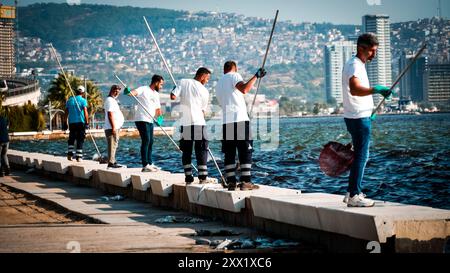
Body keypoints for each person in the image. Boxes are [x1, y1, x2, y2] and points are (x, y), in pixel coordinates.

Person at [342, 33, 392, 207]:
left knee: (359, 155)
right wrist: (377, 90)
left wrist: (369, 110)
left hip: (358, 115)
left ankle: (350, 192)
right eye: (371, 51)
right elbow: (355, 90)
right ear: (361, 48)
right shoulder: (355, 65)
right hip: (358, 117)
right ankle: (355, 195)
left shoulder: (355, 64)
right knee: (362, 156)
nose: (374, 55)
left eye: (375, 51)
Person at [215, 61, 266, 191]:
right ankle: (246, 182)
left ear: (224, 69)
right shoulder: (234, 76)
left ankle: (231, 182)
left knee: (229, 153)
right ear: (235, 68)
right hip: (239, 120)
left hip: (227, 122)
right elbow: (244, 89)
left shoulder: (219, 83)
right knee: (245, 150)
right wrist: (256, 76)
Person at [171, 67, 216, 185]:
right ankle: (203, 177)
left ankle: (188, 176)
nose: (207, 81)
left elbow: (173, 96)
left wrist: (175, 91)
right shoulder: (205, 91)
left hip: (185, 123)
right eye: (207, 78)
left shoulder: (182, 82)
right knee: (201, 149)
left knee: (186, 151)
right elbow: (202, 111)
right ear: (202, 76)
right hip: (199, 123)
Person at [124, 75, 164, 172]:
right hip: (141, 119)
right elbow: (133, 93)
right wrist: (128, 92)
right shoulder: (144, 89)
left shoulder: (156, 94)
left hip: (150, 120)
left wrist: (160, 119)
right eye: (161, 84)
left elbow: (158, 109)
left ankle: (149, 163)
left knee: (151, 141)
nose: (161, 87)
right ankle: (145, 165)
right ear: (156, 82)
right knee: (146, 140)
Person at [65, 86, 89, 162]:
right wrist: (87, 122)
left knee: (71, 138)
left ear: (76, 92)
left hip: (72, 123)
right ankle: (79, 157)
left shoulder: (69, 100)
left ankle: (70, 154)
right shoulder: (83, 101)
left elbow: (66, 112)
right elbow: (85, 112)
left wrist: (65, 122)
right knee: (80, 139)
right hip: (80, 122)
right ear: (83, 93)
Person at [104, 85, 125, 169]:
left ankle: (113, 161)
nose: (117, 93)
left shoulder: (112, 100)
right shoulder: (109, 100)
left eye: (118, 91)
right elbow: (110, 114)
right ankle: (111, 163)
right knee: (112, 145)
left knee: (114, 145)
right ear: (111, 90)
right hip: (111, 127)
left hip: (115, 127)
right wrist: (113, 127)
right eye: (115, 91)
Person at [0, 112, 10, 177]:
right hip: (6, 140)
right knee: (4, 155)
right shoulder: (4, 118)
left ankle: (1, 172)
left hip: (0, 141)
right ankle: (7, 170)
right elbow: (8, 125)